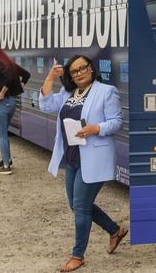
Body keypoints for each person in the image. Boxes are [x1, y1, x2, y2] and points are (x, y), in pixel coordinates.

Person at [40, 55, 128, 272]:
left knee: (80, 207)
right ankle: (115, 230)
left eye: (83, 69)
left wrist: (95, 129)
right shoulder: (68, 93)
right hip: (72, 158)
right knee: (76, 205)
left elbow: (117, 121)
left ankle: (77, 255)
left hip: (94, 157)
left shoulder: (106, 91)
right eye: (74, 71)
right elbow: (46, 105)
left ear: (91, 69)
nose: (79, 74)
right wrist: (51, 77)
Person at [0, 45, 30, 175]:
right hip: (11, 103)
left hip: (1, 104)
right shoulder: (9, 63)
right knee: (4, 133)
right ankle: (7, 159)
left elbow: (9, 78)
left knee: (1, 135)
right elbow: (26, 75)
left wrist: (2, 92)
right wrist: (19, 87)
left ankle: (6, 166)